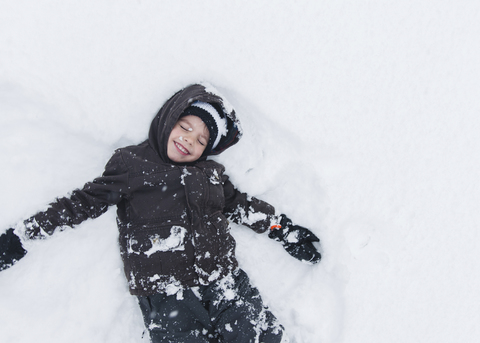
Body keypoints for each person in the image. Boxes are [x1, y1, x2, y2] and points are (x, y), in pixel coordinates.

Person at [0, 83, 321, 343]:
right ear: (168, 120)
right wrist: (21, 236)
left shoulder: (211, 174)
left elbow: (242, 206)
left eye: (200, 139)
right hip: (167, 294)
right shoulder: (132, 165)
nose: (188, 140)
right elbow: (80, 204)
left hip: (226, 282)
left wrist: (284, 230)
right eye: (185, 127)